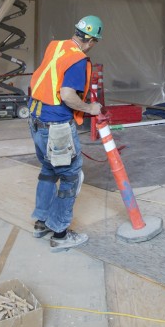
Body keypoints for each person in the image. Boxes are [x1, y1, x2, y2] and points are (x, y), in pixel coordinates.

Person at [27, 15, 104, 252]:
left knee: (49, 170)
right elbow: (68, 94)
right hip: (56, 127)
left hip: (36, 121)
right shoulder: (78, 59)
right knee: (70, 176)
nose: (92, 46)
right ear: (90, 40)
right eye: (95, 42)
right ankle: (60, 233)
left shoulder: (56, 46)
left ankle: (42, 222)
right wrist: (90, 108)